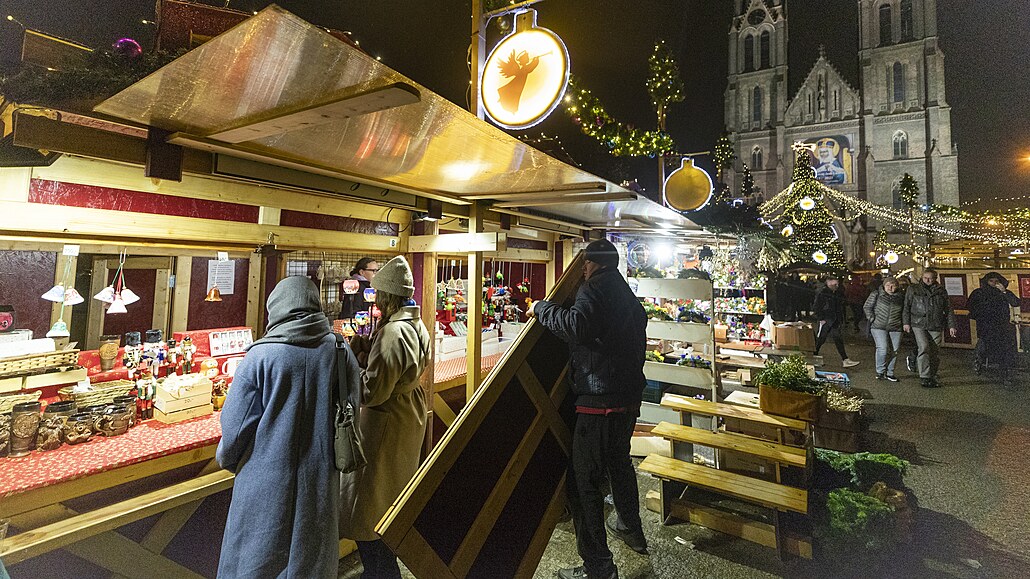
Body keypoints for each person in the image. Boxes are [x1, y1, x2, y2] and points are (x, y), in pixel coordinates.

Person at [217, 276, 358, 578]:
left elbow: (235, 428)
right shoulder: (339, 350)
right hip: (320, 480)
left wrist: (229, 460)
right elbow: (352, 408)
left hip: (264, 482)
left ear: (275, 309)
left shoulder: (260, 356)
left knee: (256, 563)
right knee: (312, 562)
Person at [528, 239, 648, 579]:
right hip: (626, 399)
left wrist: (540, 308)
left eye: (584, 262)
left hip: (599, 403)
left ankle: (598, 567)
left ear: (592, 263)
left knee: (584, 485)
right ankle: (630, 527)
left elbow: (576, 327)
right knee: (619, 463)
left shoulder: (592, 288)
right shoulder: (625, 292)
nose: (581, 269)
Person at [340, 255, 431, 579]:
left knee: (370, 508)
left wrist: (353, 361)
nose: (375, 301)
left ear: (388, 296)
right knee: (389, 504)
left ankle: (382, 574)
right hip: (406, 416)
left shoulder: (394, 333)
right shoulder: (415, 325)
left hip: (384, 423)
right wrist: (368, 347)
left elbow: (373, 391)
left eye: (378, 295)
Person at [903, 268, 957, 388]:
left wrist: (952, 325)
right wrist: (906, 322)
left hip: (935, 323)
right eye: (926, 278)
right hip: (918, 322)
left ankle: (931, 374)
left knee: (935, 351)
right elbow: (907, 306)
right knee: (924, 347)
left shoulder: (941, 291)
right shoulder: (913, 289)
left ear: (935, 278)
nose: (928, 280)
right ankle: (925, 376)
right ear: (922, 277)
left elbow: (948, 309)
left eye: (931, 278)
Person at [967, 272, 1020, 381]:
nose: (994, 284)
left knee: (1002, 347)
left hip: (1001, 324)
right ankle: (978, 362)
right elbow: (971, 306)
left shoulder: (1003, 293)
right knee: (983, 344)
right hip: (986, 324)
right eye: (991, 281)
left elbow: (1015, 302)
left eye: (996, 281)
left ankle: (1003, 369)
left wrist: (1004, 291)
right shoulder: (979, 293)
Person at [812, 274, 860, 368]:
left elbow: (841, 303)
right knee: (821, 339)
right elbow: (817, 307)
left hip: (834, 319)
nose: (837, 286)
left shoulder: (837, 292)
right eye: (835, 284)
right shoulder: (823, 293)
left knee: (837, 339)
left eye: (837, 284)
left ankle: (845, 359)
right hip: (826, 319)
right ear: (829, 283)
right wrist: (821, 318)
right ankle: (813, 357)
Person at [864, 276, 905, 381]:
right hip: (878, 325)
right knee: (883, 349)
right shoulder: (876, 294)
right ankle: (880, 371)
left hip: (896, 326)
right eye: (887, 285)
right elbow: (867, 306)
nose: (890, 288)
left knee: (895, 350)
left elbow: (905, 311)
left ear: (897, 286)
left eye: (893, 285)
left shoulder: (901, 297)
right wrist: (871, 318)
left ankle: (890, 372)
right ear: (883, 285)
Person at [895, 274, 917, 371]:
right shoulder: (896, 295)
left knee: (919, 343)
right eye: (901, 285)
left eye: (905, 285)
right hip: (900, 321)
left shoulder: (912, 293)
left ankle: (913, 358)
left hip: (913, 320)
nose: (903, 287)